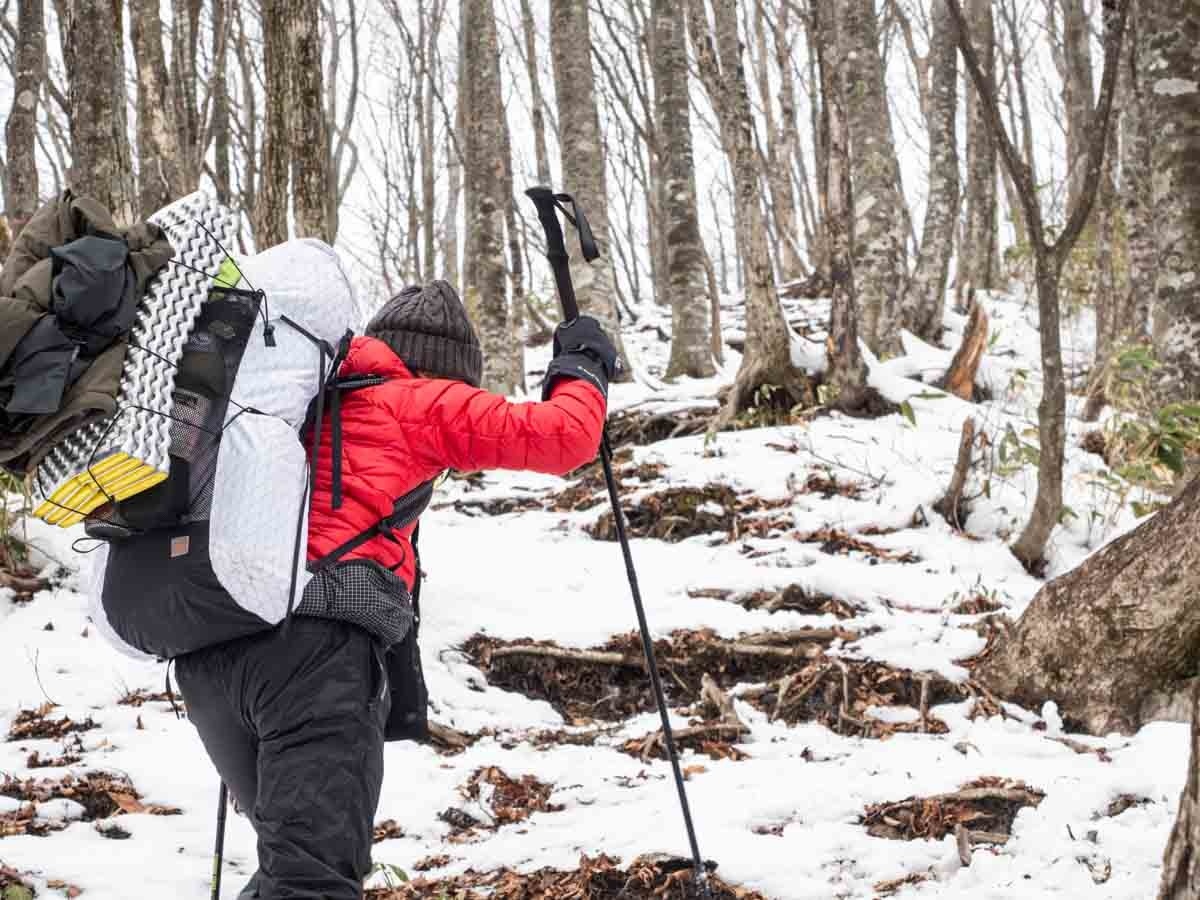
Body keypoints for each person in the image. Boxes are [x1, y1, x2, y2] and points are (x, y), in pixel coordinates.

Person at [173, 279, 618, 900]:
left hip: (210, 651)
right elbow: (563, 436)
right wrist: (584, 364)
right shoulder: (414, 401)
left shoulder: (305, 397)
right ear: (449, 373)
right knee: (312, 880)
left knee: (295, 866)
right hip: (311, 661)